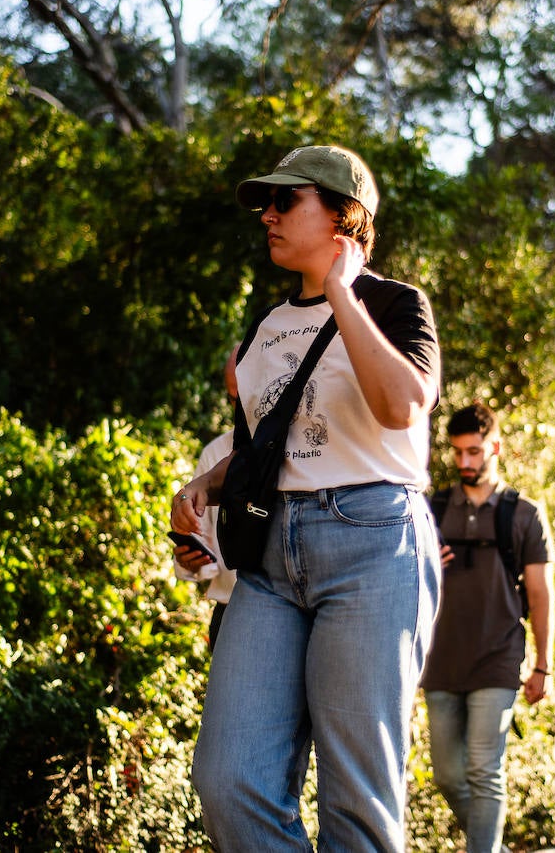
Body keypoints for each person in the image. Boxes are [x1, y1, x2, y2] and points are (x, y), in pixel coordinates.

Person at [170, 144, 442, 852]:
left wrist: (343, 294)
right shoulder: (266, 327)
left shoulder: (395, 303)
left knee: (356, 798)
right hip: (269, 556)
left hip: (374, 543)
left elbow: (401, 407)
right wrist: (205, 483)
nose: (267, 214)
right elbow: (264, 449)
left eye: (286, 200)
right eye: (266, 202)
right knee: (228, 780)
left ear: (345, 218)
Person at [422, 403, 555, 853]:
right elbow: (394, 574)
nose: (465, 463)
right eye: (458, 453)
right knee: (447, 775)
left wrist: (543, 664)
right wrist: (421, 563)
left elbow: (541, 595)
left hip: (497, 658)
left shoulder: (525, 514)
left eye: (474, 452)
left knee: (483, 769)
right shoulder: (430, 508)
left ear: (494, 447)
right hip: (438, 661)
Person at [172, 347, 240, 649]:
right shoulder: (214, 453)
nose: (238, 406)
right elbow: (206, 555)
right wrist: (190, 558)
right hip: (229, 611)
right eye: (231, 397)